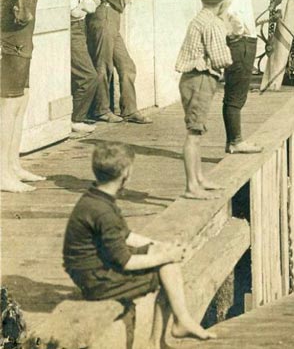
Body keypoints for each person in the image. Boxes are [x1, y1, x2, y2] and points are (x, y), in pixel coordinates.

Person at [62, 142, 216, 345]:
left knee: (164, 256)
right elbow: (125, 262)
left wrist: (162, 246)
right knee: (166, 267)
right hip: (96, 280)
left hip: (93, 268)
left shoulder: (97, 197)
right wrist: (166, 256)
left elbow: (125, 236)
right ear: (125, 174)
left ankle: (178, 324)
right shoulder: (103, 211)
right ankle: (170, 331)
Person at [1, 0, 53, 192]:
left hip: (17, 36)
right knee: (9, 105)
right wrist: (24, 11)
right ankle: (2, 174)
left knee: (20, 101)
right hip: (14, 34)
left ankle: (13, 166)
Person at [176, 0, 234, 199]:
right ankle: (191, 186)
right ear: (222, 2)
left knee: (197, 132)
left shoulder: (200, 18)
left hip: (190, 79)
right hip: (200, 79)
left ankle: (199, 179)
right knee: (193, 134)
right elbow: (220, 58)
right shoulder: (213, 24)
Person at [87, 0, 151, 124]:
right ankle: (101, 109)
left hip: (113, 19)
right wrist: (93, 0)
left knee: (127, 65)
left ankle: (129, 110)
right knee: (103, 65)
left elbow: (126, 0)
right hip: (104, 16)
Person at [221, 0, 261, 154]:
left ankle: (234, 140)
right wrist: (238, 32)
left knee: (233, 93)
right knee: (237, 95)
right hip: (243, 44)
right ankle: (235, 141)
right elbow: (233, 14)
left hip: (240, 43)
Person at [70, 0, 101, 133]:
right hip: (74, 28)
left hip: (78, 29)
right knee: (88, 76)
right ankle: (76, 118)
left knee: (84, 74)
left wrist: (86, 4)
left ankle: (77, 117)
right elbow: (78, 10)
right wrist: (86, 5)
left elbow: (90, 3)